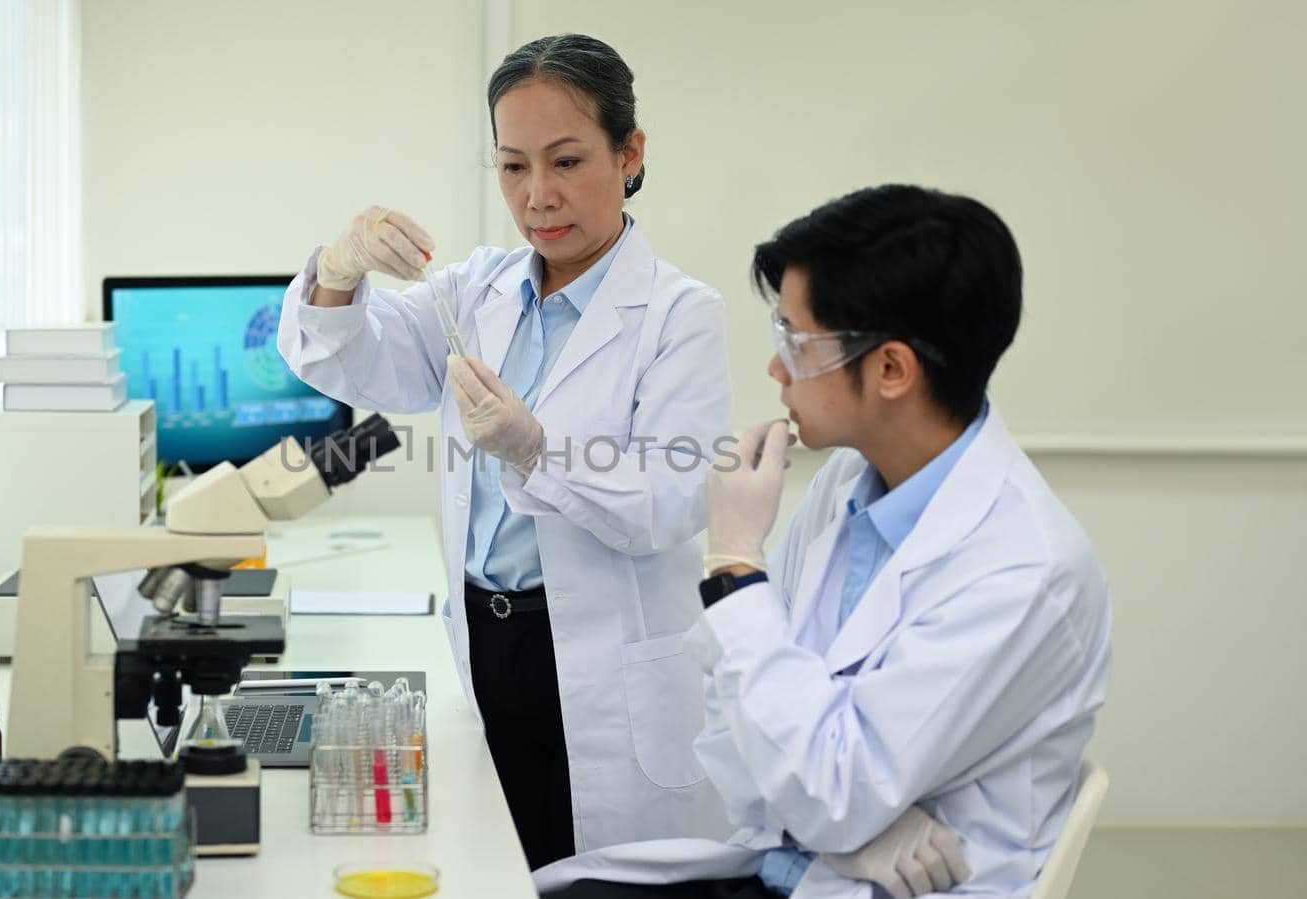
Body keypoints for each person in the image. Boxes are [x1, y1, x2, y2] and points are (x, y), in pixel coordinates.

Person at [534, 184, 1112, 898]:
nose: (776, 368)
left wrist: (737, 570)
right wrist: (835, 822)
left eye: (796, 342)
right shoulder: (848, 483)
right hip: (791, 870)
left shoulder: (1025, 569)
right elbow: (728, 732)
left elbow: (829, 791)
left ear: (892, 369)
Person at [276, 34, 733, 868]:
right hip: (487, 641)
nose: (538, 196)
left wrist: (537, 450)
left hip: (603, 660)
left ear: (630, 153)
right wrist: (341, 269)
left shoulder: (677, 315)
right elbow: (346, 360)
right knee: (492, 864)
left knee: (598, 874)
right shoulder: (472, 291)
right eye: (513, 166)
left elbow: (672, 502)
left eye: (566, 161)